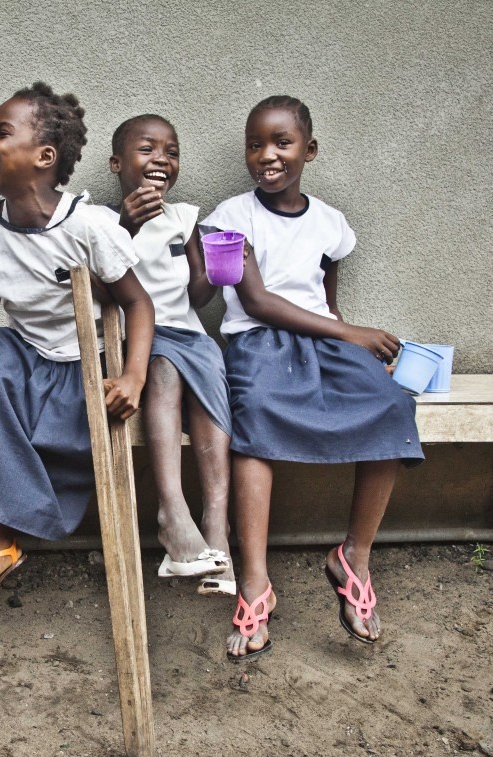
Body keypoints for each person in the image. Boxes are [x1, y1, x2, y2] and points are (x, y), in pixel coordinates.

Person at [200, 96, 422, 660]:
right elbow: (257, 300)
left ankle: (354, 557)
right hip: (257, 341)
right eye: (255, 144)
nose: (266, 155)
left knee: (393, 407)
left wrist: (354, 348)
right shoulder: (231, 215)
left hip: (326, 341)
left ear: (310, 150)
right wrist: (355, 335)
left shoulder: (330, 223)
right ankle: (255, 582)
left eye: (281, 143)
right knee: (255, 424)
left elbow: (327, 300)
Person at [0, 82, 155, 610]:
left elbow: (139, 305)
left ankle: (33, 520)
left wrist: (134, 375)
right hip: (25, 350)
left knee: (70, 426)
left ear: (44, 156)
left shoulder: (89, 226)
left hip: (83, 357)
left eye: (3, 133)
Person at [109, 114, 233, 593]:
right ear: (118, 163)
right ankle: (172, 512)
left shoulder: (186, 219)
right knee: (163, 371)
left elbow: (197, 295)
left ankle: (216, 530)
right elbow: (102, 287)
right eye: (147, 149)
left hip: (191, 335)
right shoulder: (104, 220)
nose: (161, 158)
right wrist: (126, 224)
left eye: (172, 151)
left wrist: (224, 271)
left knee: (209, 386)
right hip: (145, 341)